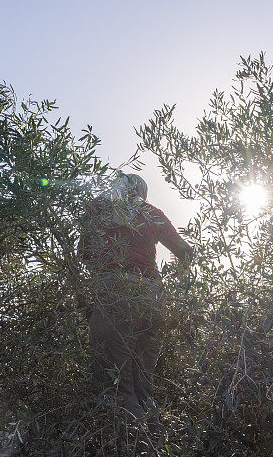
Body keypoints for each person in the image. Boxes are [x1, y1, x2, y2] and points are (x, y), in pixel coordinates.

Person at [78, 172, 193, 446]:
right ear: (142, 193)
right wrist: (176, 282)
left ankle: (138, 448)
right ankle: (157, 445)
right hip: (152, 297)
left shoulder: (100, 207)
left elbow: (84, 253)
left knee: (118, 387)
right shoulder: (151, 212)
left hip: (113, 293)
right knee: (143, 389)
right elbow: (186, 253)